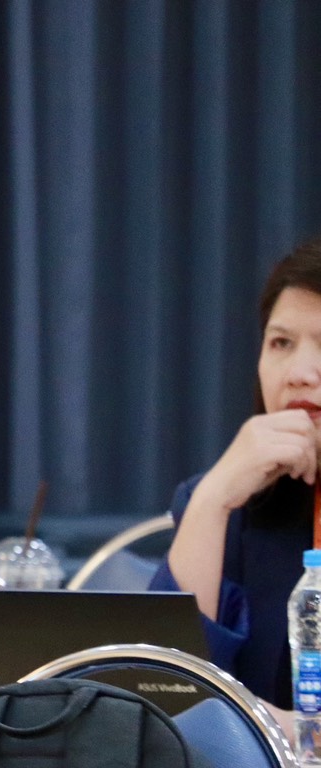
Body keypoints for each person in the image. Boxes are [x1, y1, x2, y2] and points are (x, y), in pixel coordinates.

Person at [154, 235, 321, 713]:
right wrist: (212, 501)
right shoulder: (232, 506)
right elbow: (158, 696)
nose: (298, 373)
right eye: (281, 343)